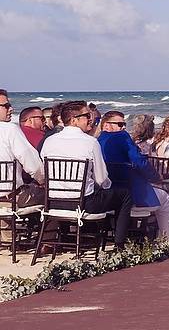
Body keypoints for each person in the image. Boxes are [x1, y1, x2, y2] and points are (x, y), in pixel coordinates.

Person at [40, 101, 134, 249]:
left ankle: (67, 238)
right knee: (125, 195)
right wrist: (106, 187)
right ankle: (119, 244)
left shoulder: (49, 141)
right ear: (74, 120)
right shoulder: (90, 142)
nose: (90, 119)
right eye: (86, 116)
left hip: (53, 203)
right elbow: (102, 178)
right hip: (84, 204)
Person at [98, 110, 169, 239]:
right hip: (133, 195)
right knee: (165, 198)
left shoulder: (98, 140)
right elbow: (140, 161)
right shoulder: (122, 137)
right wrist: (156, 177)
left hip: (108, 195)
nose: (123, 128)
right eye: (120, 124)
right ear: (106, 125)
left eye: (124, 125)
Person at [0, 89, 44, 209]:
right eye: (6, 106)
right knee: (51, 197)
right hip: (9, 200)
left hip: (7, 199)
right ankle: (53, 228)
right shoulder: (9, 129)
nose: (11, 109)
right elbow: (33, 164)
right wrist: (43, 181)